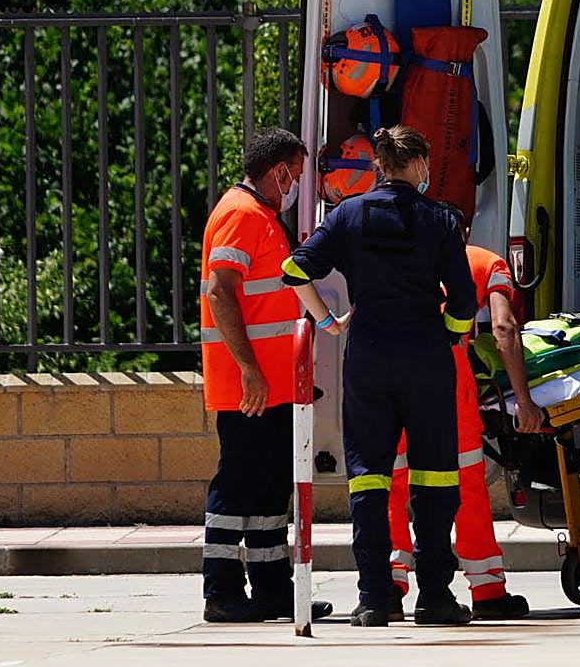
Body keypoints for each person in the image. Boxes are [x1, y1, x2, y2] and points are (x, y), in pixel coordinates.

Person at [282, 125, 477, 627]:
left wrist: (327, 322)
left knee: (368, 477)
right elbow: (462, 302)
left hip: (368, 355)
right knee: (435, 476)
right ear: (416, 165)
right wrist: (451, 337)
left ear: (380, 167)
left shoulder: (347, 214)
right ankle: (435, 596)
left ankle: (373, 599)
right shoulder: (439, 220)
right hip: (426, 357)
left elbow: (295, 269)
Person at [199, 127, 333, 624]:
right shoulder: (240, 214)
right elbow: (221, 292)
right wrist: (251, 371)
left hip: (274, 387)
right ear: (277, 170)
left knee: (270, 490)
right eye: (295, 174)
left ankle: (274, 589)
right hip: (249, 387)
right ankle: (223, 592)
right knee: (239, 487)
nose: (297, 183)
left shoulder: (261, 217)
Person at [388, 212, 543, 620]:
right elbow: (505, 328)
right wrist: (524, 400)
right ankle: (487, 589)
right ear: (466, 231)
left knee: (396, 482)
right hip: (448, 388)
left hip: (394, 383)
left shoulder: (401, 258)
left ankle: (388, 585)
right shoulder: (484, 262)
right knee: (467, 484)